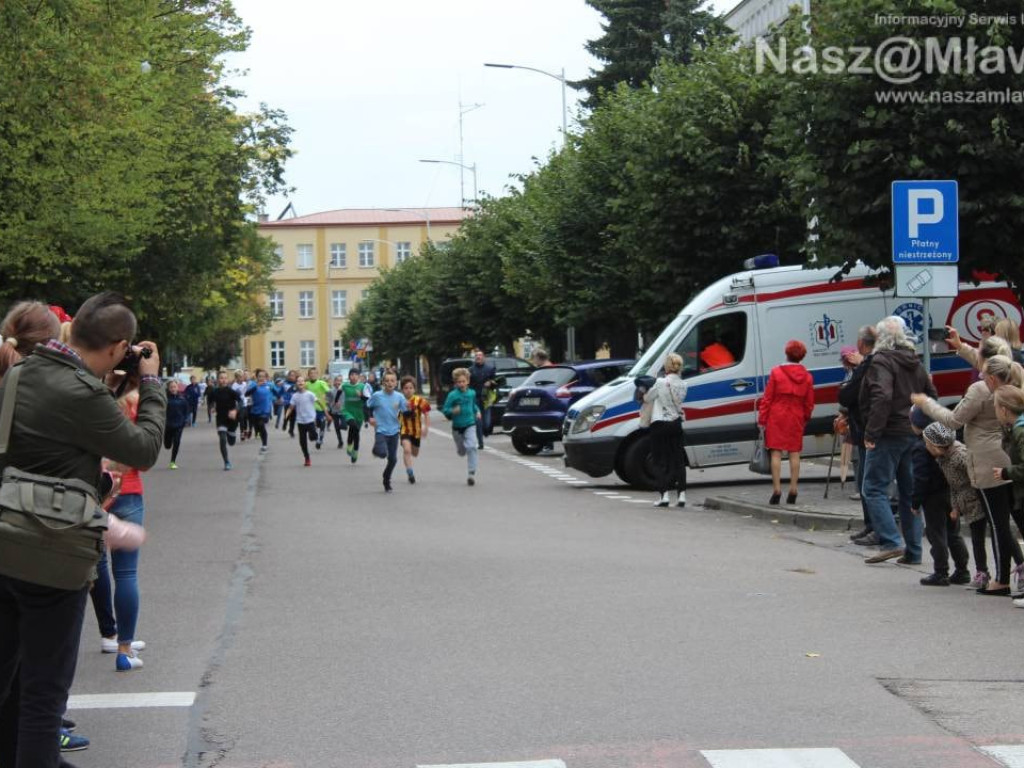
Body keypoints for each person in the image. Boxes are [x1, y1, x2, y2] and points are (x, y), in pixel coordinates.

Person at [0, 291, 165, 768]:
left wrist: (109, 387)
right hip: (51, 550)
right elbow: (145, 449)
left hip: (6, 536)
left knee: (8, 680)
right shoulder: (82, 393)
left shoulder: (20, 373)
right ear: (118, 346)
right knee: (43, 694)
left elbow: (53, 430)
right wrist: (149, 384)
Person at [912, 355, 1023, 593]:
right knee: (1009, 519)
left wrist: (926, 404)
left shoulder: (981, 391)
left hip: (986, 462)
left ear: (992, 377)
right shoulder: (1015, 386)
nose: (980, 377)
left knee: (997, 523)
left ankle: (1002, 579)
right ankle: (1008, 573)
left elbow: (953, 420)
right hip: (1006, 458)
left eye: (983, 374)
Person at [859, 316, 933, 565]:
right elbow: (931, 396)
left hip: (889, 432)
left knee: (873, 488)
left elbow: (881, 396)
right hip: (912, 431)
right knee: (909, 494)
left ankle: (892, 541)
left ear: (881, 338)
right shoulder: (915, 362)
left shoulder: (882, 361)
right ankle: (913, 551)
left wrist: (872, 432)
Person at [924, 422, 990, 589]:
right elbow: (954, 485)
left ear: (936, 445)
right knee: (972, 538)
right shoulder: (943, 459)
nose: (925, 446)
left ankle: (983, 573)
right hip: (965, 502)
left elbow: (976, 475)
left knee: (981, 539)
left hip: (977, 501)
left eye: (927, 443)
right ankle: (977, 573)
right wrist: (955, 508)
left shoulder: (959, 456)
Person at [910, 407, 970, 585]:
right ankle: (962, 570)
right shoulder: (947, 441)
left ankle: (941, 572)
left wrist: (915, 502)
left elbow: (920, 478)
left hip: (932, 497)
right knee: (954, 533)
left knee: (936, 534)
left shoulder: (921, 447)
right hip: (951, 492)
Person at [758, 340, 815, 505]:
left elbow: (767, 399)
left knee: (776, 453)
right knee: (794, 452)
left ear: (787, 353)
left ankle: (776, 489)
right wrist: (805, 417)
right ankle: (793, 489)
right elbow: (809, 402)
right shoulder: (807, 377)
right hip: (796, 415)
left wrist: (762, 419)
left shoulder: (776, 373)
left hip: (777, 415)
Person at [838, 326, 877, 541]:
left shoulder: (868, 365)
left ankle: (876, 528)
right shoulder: (865, 365)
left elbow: (848, 394)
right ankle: (869, 524)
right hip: (861, 426)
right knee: (865, 479)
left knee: (869, 482)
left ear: (862, 344)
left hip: (868, 429)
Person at [992, 383, 1024, 603]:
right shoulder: (1015, 428)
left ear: (1004, 409)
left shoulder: (1021, 430)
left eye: (995, 407)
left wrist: (1005, 472)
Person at [645, 352, 688, 508]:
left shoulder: (661, 382)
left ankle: (664, 496)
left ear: (667, 366)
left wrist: (655, 381)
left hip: (659, 424)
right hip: (676, 422)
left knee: (659, 460)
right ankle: (682, 495)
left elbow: (647, 398)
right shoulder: (684, 384)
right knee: (678, 459)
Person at [367, 371, 409, 492]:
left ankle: (386, 478)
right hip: (380, 429)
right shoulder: (377, 395)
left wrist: (410, 410)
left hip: (394, 431)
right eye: (387, 380)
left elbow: (406, 413)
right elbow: (368, 406)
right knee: (382, 452)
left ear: (396, 383)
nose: (390, 383)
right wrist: (370, 417)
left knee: (393, 459)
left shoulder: (399, 397)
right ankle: (377, 450)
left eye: (392, 380)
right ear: (383, 383)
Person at [442, 367, 481, 486]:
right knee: (462, 451)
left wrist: (477, 411)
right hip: (457, 428)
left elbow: (473, 405)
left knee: (472, 446)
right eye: (459, 382)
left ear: (468, 381)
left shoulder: (471, 393)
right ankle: (460, 448)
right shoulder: (452, 395)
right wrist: (453, 411)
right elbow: (445, 409)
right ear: (456, 383)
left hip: (470, 424)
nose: (461, 384)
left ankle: (471, 473)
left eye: (463, 381)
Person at [399, 375, 431, 484]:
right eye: (406, 388)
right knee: (407, 450)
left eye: (410, 388)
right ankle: (410, 472)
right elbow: (393, 413)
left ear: (414, 389)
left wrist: (426, 427)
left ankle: (410, 461)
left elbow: (426, 414)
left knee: (415, 453)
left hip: (416, 431)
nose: (408, 390)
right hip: (404, 430)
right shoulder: (399, 400)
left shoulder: (419, 400)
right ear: (402, 389)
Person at [208, 370, 243, 470]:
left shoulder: (232, 392)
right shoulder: (214, 392)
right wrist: (212, 407)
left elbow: (240, 402)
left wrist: (235, 411)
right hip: (221, 419)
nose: (223, 380)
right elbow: (210, 401)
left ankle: (231, 433)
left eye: (225, 378)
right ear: (218, 380)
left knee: (231, 442)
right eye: (221, 378)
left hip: (232, 419)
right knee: (222, 439)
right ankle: (226, 462)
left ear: (228, 380)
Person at [284, 376, 318, 466]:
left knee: (314, 436)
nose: (300, 383)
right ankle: (307, 458)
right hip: (300, 422)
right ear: (296, 384)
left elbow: (318, 402)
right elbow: (291, 408)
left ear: (305, 383)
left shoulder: (310, 394)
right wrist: (286, 416)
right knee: (302, 442)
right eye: (298, 381)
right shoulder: (295, 396)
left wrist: (325, 411)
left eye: (302, 381)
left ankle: (313, 435)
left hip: (310, 420)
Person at [468, 349, 496, 447]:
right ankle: (480, 442)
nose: (478, 357)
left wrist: (491, 383)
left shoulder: (490, 368)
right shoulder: (470, 370)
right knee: (478, 421)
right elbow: (468, 384)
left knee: (487, 422)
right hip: (475, 398)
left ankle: (486, 430)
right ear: (475, 358)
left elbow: (496, 381)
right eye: (476, 355)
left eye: (480, 355)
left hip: (487, 397)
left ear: (484, 357)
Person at [340, 369, 368, 462]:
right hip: (348, 411)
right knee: (353, 426)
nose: (354, 376)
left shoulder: (363, 386)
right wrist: (336, 401)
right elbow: (339, 392)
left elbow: (367, 400)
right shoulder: (345, 385)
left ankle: (355, 450)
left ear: (359, 377)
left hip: (359, 412)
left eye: (356, 375)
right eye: (352, 375)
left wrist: (361, 396)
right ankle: (349, 444)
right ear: (349, 377)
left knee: (355, 432)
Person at [245, 369, 275, 453]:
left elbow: (276, 392)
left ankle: (264, 445)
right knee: (258, 427)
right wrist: (256, 386)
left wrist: (279, 398)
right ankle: (261, 438)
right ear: (256, 377)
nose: (261, 378)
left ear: (266, 377)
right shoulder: (253, 384)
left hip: (266, 411)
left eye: (263, 376)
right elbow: (246, 394)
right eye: (259, 376)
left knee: (261, 424)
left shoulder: (269, 385)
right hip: (255, 411)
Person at [164, 379, 190, 469]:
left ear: (177, 387)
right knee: (167, 445)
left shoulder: (182, 399)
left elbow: (187, 411)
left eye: (174, 387)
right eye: (171, 387)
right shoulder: (165, 399)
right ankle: (168, 441)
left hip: (179, 425)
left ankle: (172, 461)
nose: (173, 389)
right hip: (168, 425)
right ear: (168, 388)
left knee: (177, 442)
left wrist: (186, 420)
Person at [306, 367, 331, 450]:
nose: (313, 375)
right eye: (311, 373)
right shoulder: (306, 384)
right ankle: (316, 438)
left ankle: (320, 439)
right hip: (311, 409)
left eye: (314, 373)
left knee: (322, 425)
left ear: (317, 375)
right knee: (314, 426)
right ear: (308, 375)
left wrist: (327, 397)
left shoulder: (321, 383)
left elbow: (329, 392)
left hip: (321, 408)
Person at [329, 375, 347, 448]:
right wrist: (333, 404)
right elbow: (328, 402)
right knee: (337, 428)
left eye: (340, 381)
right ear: (334, 382)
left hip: (343, 411)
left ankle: (343, 426)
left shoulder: (344, 390)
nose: (338, 382)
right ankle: (340, 441)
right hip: (335, 412)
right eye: (337, 380)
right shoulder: (331, 391)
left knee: (344, 426)